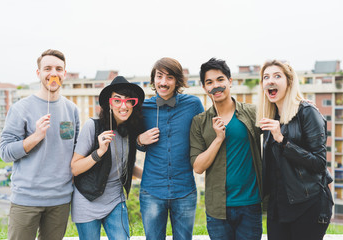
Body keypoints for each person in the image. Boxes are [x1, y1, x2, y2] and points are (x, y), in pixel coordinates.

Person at [0, 49, 80, 240]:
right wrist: (35, 136)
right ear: (38, 73)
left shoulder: (72, 110)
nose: (53, 73)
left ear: (64, 74)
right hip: (26, 201)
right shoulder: (20, 108)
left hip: (60, 201)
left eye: (58, 69)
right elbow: (4, 152)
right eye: (48, 68)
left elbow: (76, 153)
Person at [257, 60, 333, 240]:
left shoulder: (307, 112)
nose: (270, 81)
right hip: (278, 206)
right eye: (266, 77)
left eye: (277, 76)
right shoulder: (270, 116)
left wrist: (283, 141)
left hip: (309, 204)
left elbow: (320, 163)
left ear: (289, 82)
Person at [190, 58, 263, 240]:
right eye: (209, 82)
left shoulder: (252, 112)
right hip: (217, 209)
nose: (216, 86)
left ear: (230, 81)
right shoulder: (199, 122)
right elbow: (198, 166)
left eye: (220, 79)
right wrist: (218, 139)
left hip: (250, 204)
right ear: (204, 88)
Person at [137, 57, 204, 239]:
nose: (163, 82)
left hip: (184, 190)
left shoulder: (194, 105)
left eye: (169, 77)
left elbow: (203, 139)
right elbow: (131, 143)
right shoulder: (142, 108)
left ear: (177, 81)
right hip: (151, 190)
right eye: (159, 77)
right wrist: (140, 139)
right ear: (153, 79)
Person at [70, 76, 145, 240]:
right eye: (117, 100)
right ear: (109, 104)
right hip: (87, 199)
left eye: (128, 101)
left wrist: (150, 177)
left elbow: (125, 167)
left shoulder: (130, 130)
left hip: (115, 200)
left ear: (133, 104)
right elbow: (75, 168)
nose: (123, 106)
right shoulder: (93, 126)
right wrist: (99, 152)